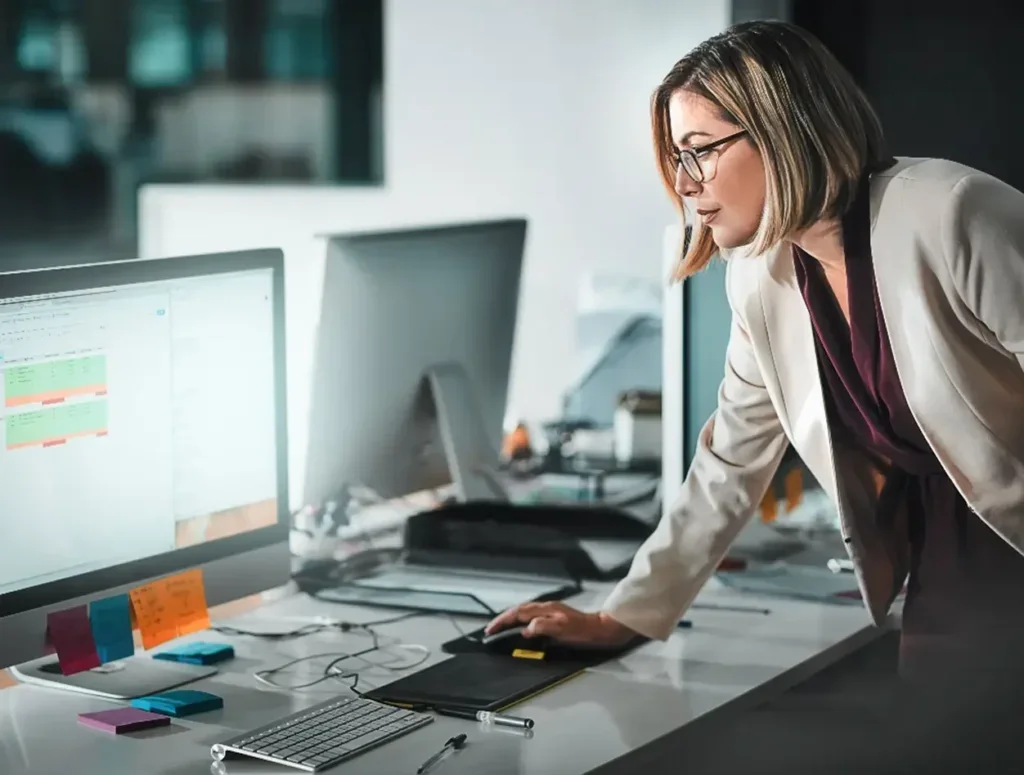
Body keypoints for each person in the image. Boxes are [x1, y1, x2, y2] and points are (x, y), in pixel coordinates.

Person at [486, 19, 1024, 772]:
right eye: (677, 157)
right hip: (954, 582)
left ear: (782, 129)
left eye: (701, 149)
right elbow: (728, 463)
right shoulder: (764, 276)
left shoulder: (952, 212)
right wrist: (625, 613)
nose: (684, 182)